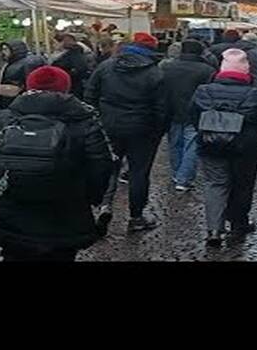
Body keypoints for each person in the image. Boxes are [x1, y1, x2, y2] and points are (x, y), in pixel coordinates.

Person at [0, 66, 113, 261]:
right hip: (65, 211)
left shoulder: (5, 118)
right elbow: (101, 166)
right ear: (66, 88)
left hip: (12, 209)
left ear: (29, 86)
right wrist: (86, 197)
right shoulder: (84, 120)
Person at [85, 31, 166, 234]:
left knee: (108, 168)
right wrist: (158, 129)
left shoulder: (106, 66)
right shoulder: (154, 72)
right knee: (139, 173)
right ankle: (136, 217)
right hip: (142, 129)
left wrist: (97, 119)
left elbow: (90, 94)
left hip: (109, 125)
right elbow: (161, 107)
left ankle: (103, 207)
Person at [190, 49, 257, 247]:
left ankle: (214, 229)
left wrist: (208, 132)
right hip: (246, 147)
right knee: (242, 185)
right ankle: (238, 222)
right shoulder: (254, 94)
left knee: (214, 184)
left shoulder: (203, 91)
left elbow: (193, 115)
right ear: (246, 71)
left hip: (211, 145)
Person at [160, 39, 216, 192]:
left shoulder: (167, 68)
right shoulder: (207, 70)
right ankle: (183, 178)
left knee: (174, 145)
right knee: (191, 145)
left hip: (171, 111)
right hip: (195, 113)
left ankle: (177, 174)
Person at [0, 40, 46, 110]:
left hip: (19, 101)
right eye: (2, 49)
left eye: (6, 49)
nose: (3, 52)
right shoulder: (10, 63)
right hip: (10, 101)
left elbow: (32, 82)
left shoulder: (29, 62)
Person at [50, 33, 93, 100]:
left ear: (62, 43)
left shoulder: (73, 55)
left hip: (72, 87)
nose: (53, 45)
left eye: (55, 43)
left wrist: (65, 74)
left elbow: (81, 69)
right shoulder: (68, 54)